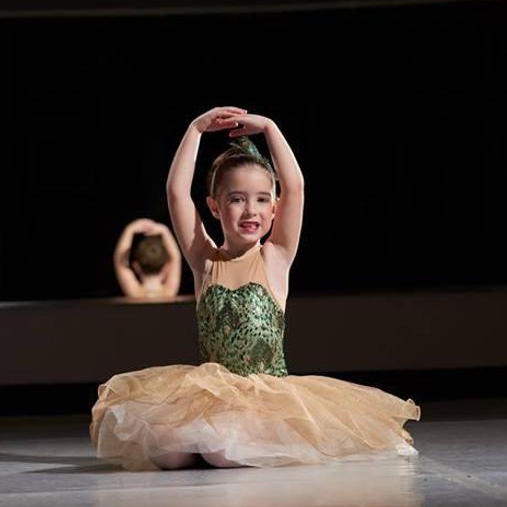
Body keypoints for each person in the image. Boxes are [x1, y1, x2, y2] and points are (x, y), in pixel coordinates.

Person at [90, 107, 421, 470]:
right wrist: (195, 130)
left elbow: (295, 188)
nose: (251, 210)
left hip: (266, 398)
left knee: (220, 452)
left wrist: (270, 128)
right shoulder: (205, 260)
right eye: (237, 199)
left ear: (275, 208)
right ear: (215, 206)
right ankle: (208, 442)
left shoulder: (275, 257)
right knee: (167, 451)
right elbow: (176, 193)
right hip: (212, 395)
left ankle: (231, 444)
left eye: (262, 199)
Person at [113, 218, 182, 298]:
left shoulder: (134, 293)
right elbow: (176, 258)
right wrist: (165, 231)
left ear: (136, 267)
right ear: (166, 267)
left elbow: (120, 262)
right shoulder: (169, 292)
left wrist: (129, 229)